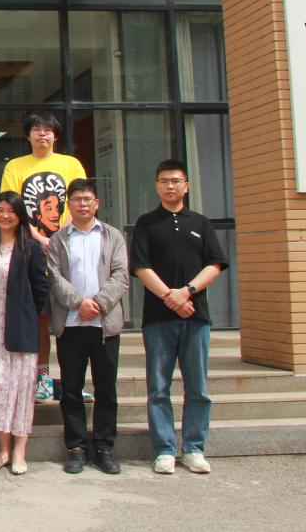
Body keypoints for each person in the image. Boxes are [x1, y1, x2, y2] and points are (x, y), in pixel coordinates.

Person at [131, 159, 229, 475]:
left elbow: (215, 264)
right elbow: (141, 267)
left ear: (186, 185)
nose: (170, 186)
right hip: (157, 318)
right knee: (158, 387)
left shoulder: (201, 223)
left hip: (195, 317)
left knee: (197, 387)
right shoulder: (146, 223)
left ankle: (194, 449)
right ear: (156, 186)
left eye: (175, 181)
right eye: (164, 181)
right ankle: (164, 449)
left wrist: (187, 292)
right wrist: (170, 298)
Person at [0, 111, 87, 403]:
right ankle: (43, 378)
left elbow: (79, 202)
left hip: (68, 249)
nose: (42, 134)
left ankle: (74, 380)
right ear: (28, 135)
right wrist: (39, 239)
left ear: (55, 135)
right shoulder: (15, 166)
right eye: (36, 129)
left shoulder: (70, 164)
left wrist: (58, 237)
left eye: (47, 129)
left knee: (71, 316)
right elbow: (11, 207)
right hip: (30, 250)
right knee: (40, 316)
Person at [46, 178, 129, 475]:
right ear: (68, 204)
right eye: (77, 199)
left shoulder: (112, 236)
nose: (82, 204)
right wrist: (78, 303)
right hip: (71, 325)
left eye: (87, 199)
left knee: (106, 389)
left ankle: (105, 448)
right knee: (71, 389)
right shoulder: (58, 239)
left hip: (104, 326)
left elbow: (121, 274)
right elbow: (53, 276)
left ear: (97, 203)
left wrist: (98, 303)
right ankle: (76, 448)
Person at [0, 192, 50, 475]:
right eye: (0, 210)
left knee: (20, 389)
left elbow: (41, 288)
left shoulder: (30, 248)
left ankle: (19, 451)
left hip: (18, 327)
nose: (5, 216)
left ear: (20, 216)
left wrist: (26, 314)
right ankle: (2, 448)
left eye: (11, 211)